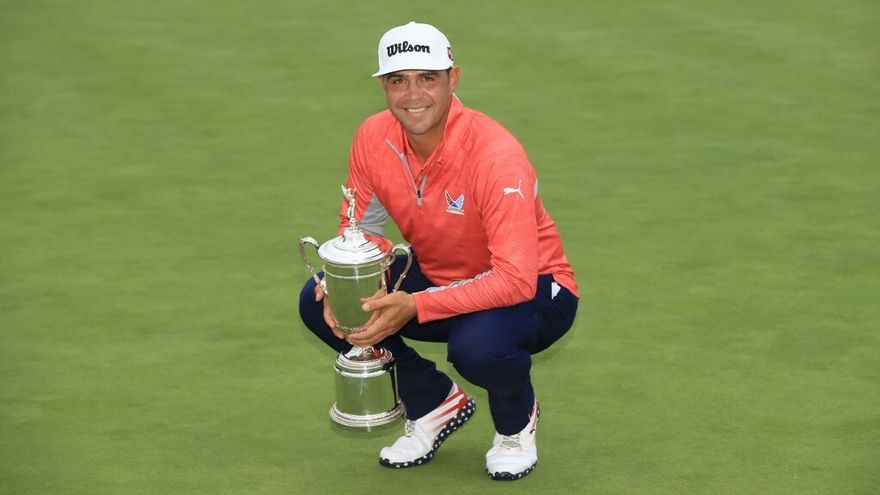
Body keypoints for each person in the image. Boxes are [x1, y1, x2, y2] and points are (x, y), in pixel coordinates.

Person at [298, 21, 579, 481]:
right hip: (440, 274)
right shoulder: (372, 136)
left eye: (427, 78)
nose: (413, 95)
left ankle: (515, 425)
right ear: (384, 86)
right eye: (398, 80)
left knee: (478, 347)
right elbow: (362, 230)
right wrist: (344, 284)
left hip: (537, 290)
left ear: (453, 79)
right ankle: (432, 402)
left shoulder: (495, 155)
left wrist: (416, 305)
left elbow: (514, 279)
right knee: (321, 302)